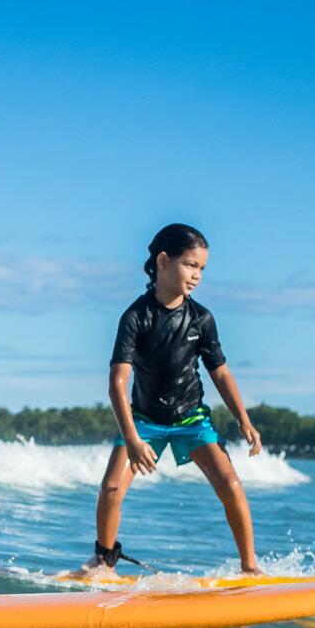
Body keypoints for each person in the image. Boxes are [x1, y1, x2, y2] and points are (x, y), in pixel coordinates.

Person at [81, 223, 262, 576]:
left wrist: (244, 419)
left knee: (230, 484)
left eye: (202, 269)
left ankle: (249, 565)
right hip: (144, 419)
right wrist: (132, 438)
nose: (197, 275)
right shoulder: (136, 316)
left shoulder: (202, 318)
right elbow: (117, 381)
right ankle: (103, 560)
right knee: (112, 486)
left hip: (191, 419)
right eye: (190, 265)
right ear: (163, 261)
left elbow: (220, 373)